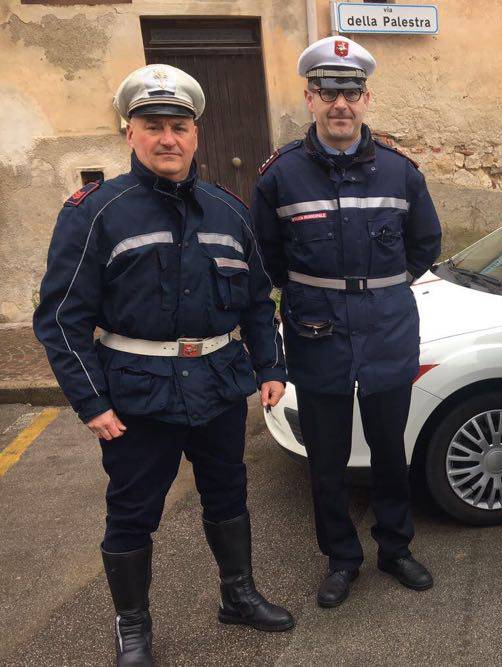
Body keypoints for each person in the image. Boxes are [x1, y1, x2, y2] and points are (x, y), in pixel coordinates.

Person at [33, 64, 294, 666]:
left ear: (196, 134)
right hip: (136, 392)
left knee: (228, 494)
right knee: (132, 513)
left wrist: (270, 366)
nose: (168, 138)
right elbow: (60, 317)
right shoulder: (96, 212)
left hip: (219, 384)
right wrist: (91, 402)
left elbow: (258, 299)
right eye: (154, 126)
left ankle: (239, 595)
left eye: (179, 126)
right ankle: (133, 628)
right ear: (131, 133)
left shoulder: (228, 211)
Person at [252, 36, 442, 607]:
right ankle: (341, 558)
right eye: (328, 91)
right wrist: (318, 294)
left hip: (386, 327)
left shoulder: (400, 172)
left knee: (390, 448)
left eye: (352, 92)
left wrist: (376, 291)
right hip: (317, 334)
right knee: (327, 458)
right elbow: (266, 256)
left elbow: (424, 245)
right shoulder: (280, 176)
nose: (341, 104)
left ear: (367, 99)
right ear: (310, 97)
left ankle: (396, 547)